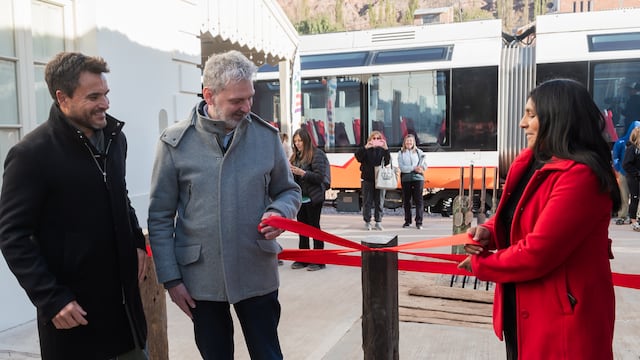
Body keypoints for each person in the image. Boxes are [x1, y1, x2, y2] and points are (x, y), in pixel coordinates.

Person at [147, 50, 301, 360]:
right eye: (236, 101)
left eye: (249, 98)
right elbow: (160, 217)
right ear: (209, 95)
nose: (246, 107)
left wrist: (279, 212)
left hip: (256, 271)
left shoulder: (266, 138)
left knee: (268, 355)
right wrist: (171, 280)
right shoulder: (174, 144)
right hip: (201, 281)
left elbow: (289, 191)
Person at [0, 52, 148, 359]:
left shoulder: (114, 139)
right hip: (74, 320)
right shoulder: (30, 154)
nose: (105, 104)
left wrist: (136, 241)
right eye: (93, 97)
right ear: (62, 97)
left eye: (106, 94)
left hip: (127, 321)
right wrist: (50, 298)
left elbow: (121, 196)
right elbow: (12, 235)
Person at [458, 79, 619, 359]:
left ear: (558, 117)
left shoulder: (581, 176)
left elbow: (538, 253)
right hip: (524, 313)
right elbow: (515, 218)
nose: (522, 123)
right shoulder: (531, 162)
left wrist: (480, 264)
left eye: (531, 115)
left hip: (562, 325)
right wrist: (488, 232)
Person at [289, 128, 331, 271]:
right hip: (300, 198)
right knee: (302, 228)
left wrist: (303, 173)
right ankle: (303, 258)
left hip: (314, 197)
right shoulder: (295, 156)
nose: (297, 144)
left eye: (300, 140)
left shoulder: (317, 154)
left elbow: (319, 177)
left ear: (306, 140)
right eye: (295, 141)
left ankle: (319, 260)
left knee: (314, 227)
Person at [355, 130, 391, 231]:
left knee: (380, 201)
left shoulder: (383, 150)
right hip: (367, 179)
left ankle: (378, 221)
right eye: (373, 138)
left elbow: (388, 162)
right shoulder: (366, 149)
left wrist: (386, 148)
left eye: (378, 139)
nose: (375, 140)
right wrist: (366, 147)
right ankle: (367, 221)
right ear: (370, 140)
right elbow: (357, 157)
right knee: (367, 201)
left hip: (380, 179)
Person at [612, 120, 640, 225]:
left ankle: (636, 216)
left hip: (634, 173)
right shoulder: (621, 142)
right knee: (624, 195)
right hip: (624, 172)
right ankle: (622, 215)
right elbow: (615, 157)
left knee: (635, 196)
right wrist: (619, 169)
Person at [397, 134, 426, 229]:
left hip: (418, 178)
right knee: (407, 201)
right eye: (407, 141)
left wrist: (421, 169)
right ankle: (407, 221)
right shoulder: (401, 153)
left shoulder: (419, 152)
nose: (409, 143)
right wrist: (414, 168)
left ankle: (419, 222)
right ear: (404, 142)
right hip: (406, 179)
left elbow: (425, 165)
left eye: (411, 141)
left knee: (419, 200)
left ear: (414, 142)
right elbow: (402, 167)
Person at [622, 126, 640, 231]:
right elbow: (626, 165)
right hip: (634, 178)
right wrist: (637, 173)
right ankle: (633, 220)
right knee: (634, 198)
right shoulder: (631, 149)